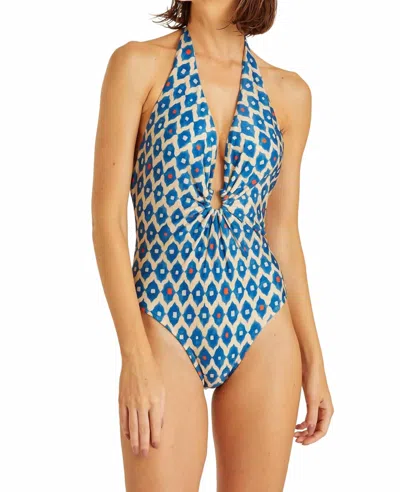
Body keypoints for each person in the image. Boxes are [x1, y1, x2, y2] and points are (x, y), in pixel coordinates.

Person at [91, 0, 334, 490]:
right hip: (163, 318)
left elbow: (283, 234)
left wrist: (315, 360)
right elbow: (106, 222)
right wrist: (134, 356)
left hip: (262, 319)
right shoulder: (137, 66)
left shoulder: (290, 93)